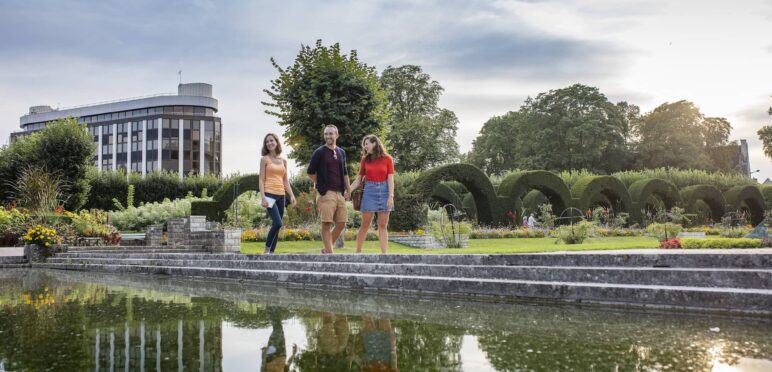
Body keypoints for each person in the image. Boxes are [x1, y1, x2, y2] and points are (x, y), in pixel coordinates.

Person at [307, 125, 351, 254]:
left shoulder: (341, 152)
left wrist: (348, 190)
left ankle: (327, 249)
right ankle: (330, 255)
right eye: (326, 134)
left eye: (331, 134)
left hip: (340, 193)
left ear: (337, 135)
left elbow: (345, 173)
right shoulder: (319, 152)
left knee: (342, 222)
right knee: (326, 224)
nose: (328, 136)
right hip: (326, 193)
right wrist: (321, 183)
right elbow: (310, 172)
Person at [349, 135, 395, 254]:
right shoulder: (365, 159)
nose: (365, 146)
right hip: (369, 191)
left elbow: (390, 179)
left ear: (375, 143)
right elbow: (359, 179)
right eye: (364, 144)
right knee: (365, 224)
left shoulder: (388, 159)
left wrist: (391, 196)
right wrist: (348, 190)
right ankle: (358, 252)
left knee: (383, 225)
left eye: (367, 144)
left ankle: (384, 254)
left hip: (385, 191)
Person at [259, 133, 297, 254]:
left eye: (272, 141)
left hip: (281, 195)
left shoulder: (283, 161)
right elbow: (261, 179)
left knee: (278, 225)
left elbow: (285, 180)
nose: (269, 143)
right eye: (267, 142)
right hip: (269, 194)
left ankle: (272, 253)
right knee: (278, 222)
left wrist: (291, 195)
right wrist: (263, 197)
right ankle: (266, 249)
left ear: (276, 142)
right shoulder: (264, 159)